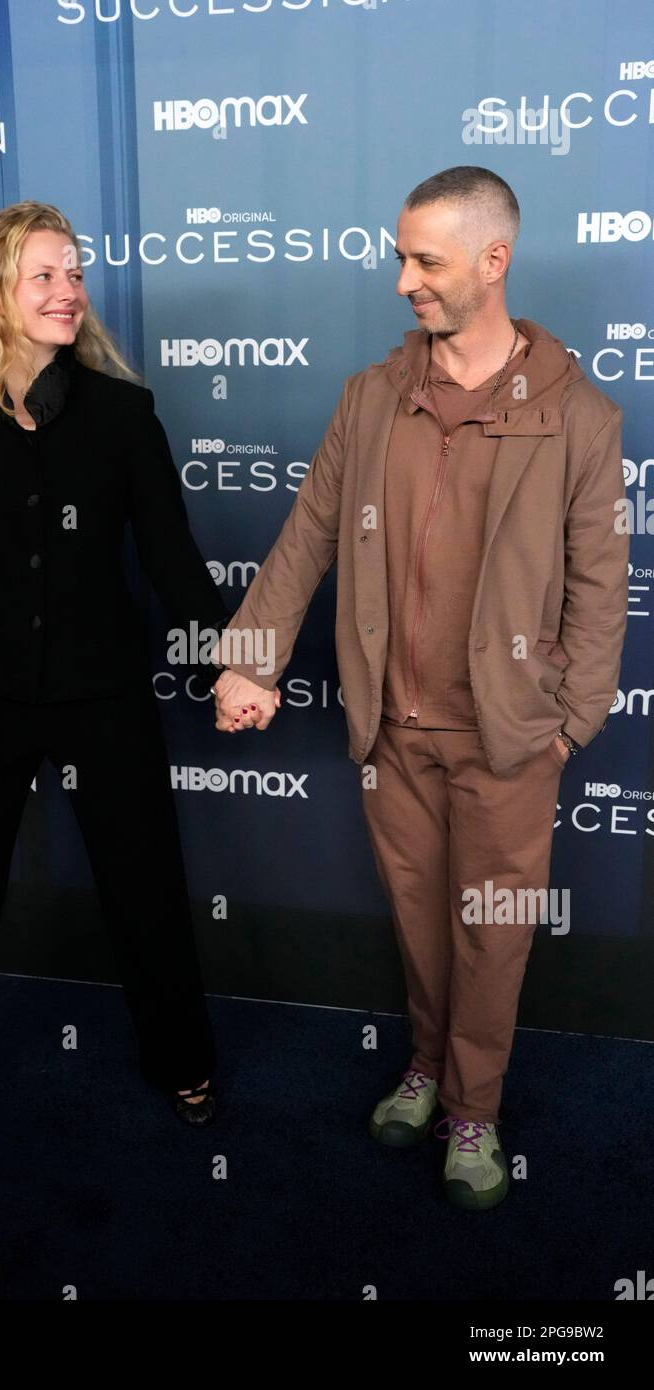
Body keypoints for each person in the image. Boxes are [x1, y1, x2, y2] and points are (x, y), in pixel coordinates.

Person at [209, 166, 628, 1209]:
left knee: (490, 934)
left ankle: (472, 1108)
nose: (402, 280)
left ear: (493, 262)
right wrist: (250, 656)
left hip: (508, 738)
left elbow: (600, 584)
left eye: (425, 260)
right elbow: (308, 536)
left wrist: (565, 721)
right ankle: (428, 1064)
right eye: (398, 256)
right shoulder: (370, 398)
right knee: (418, 921)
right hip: (391, 733)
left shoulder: (579, 418)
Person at [0, 200, 229, 1140]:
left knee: (146, 889)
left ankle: (183, 1063)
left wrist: (226, 667)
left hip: (104, 694)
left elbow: (173, 562)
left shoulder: (123, 413)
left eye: (74, 273)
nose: (68, 290)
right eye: (44, 275)